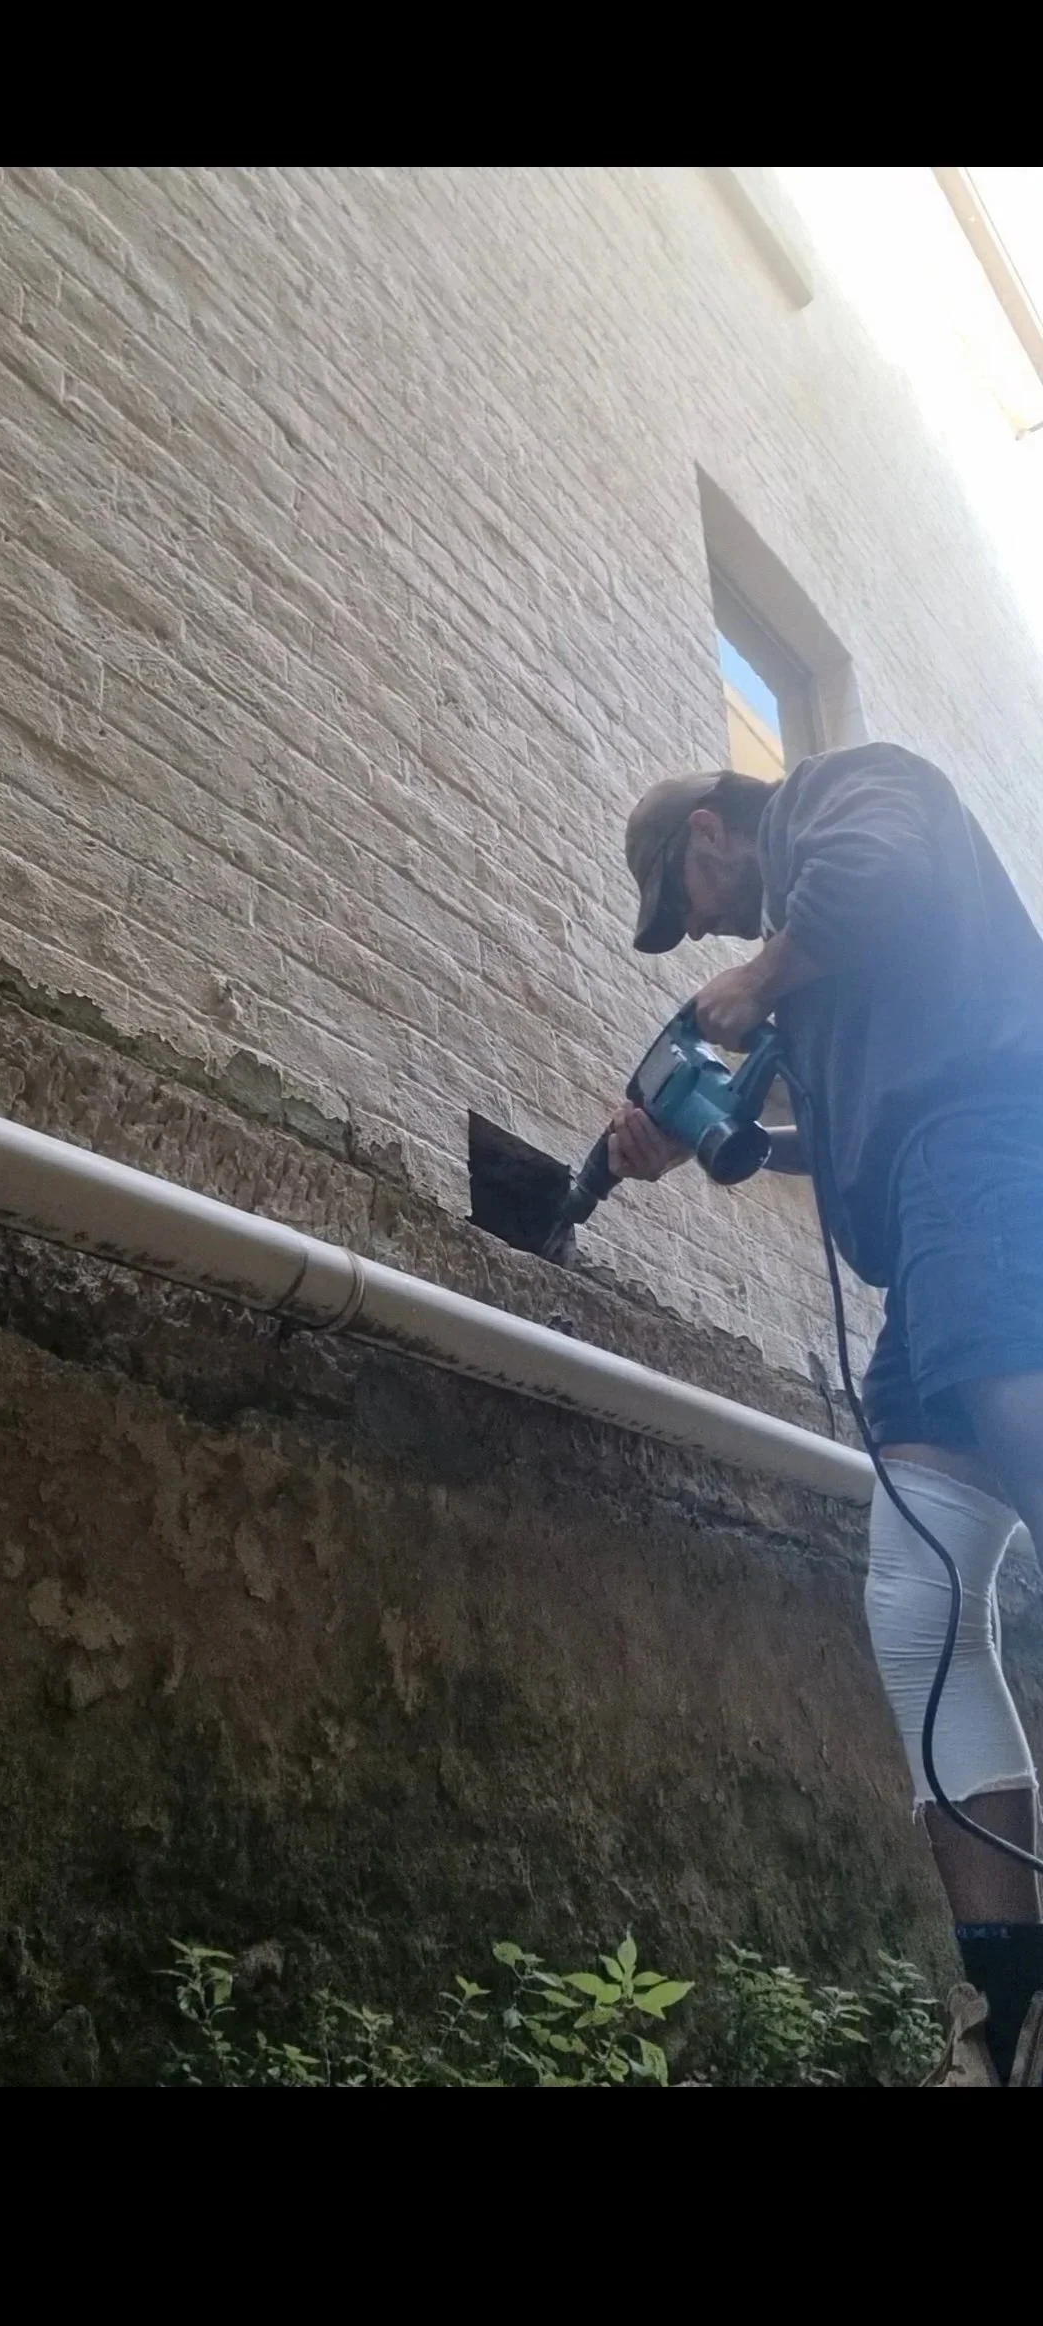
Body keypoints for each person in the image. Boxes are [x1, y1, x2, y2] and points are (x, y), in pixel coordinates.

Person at [613, 742, 1043, 2085]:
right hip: (919, 1222)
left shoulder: (844, 793)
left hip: (988, 1138)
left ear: (705, 837)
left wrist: (748, 976)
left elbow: (884, 872)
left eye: (699, 914)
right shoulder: (820, 988)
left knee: (1023, 1423)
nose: (719, 933)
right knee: (917, 1600)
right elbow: (840, 1093)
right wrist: (708, 1139)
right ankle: (1011, 2011)